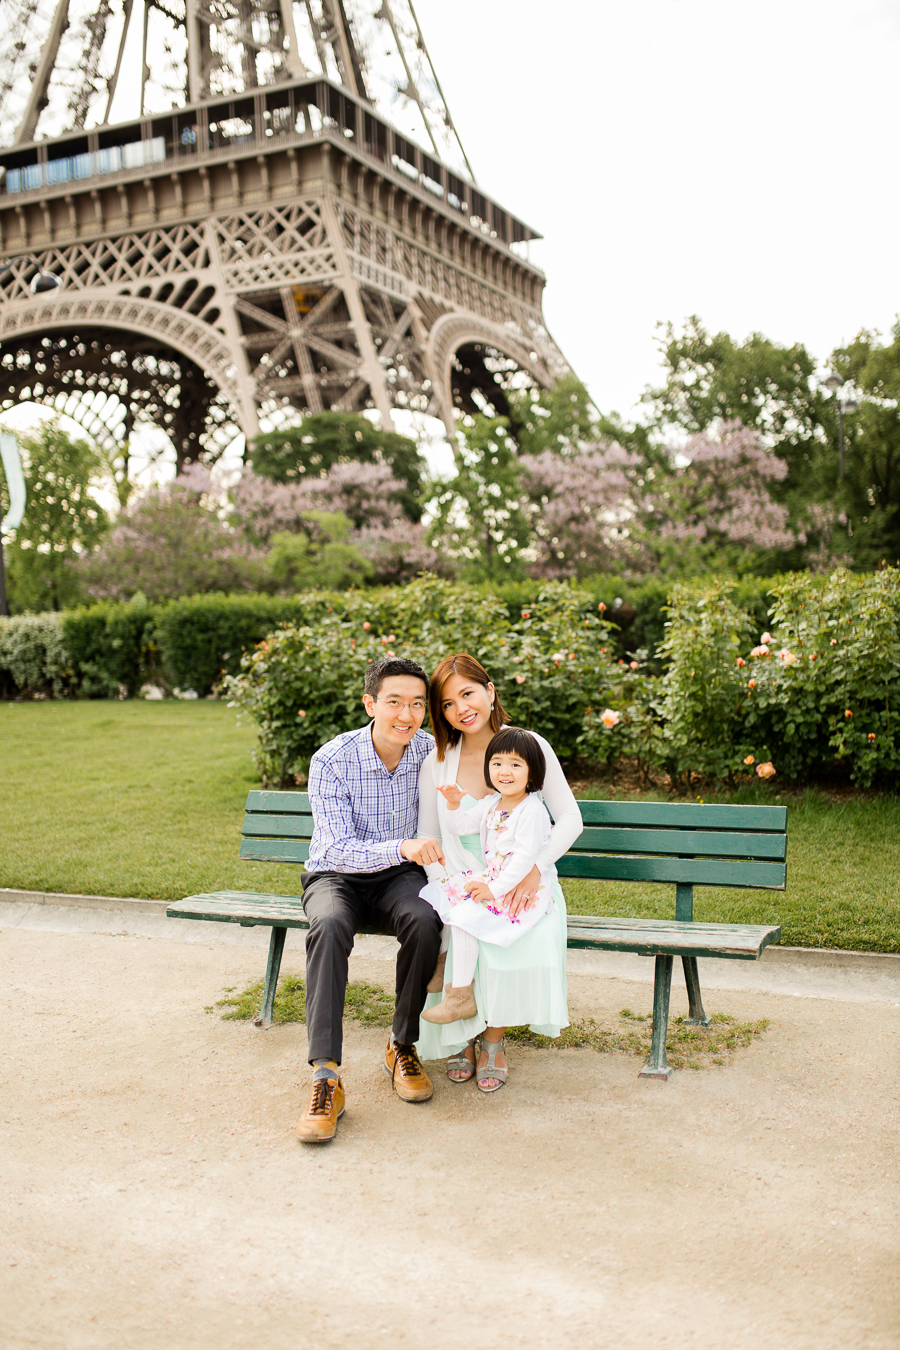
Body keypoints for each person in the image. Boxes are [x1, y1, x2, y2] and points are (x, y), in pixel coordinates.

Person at [416, 654, 583, 1092]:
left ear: (490, 692)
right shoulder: (438, 761)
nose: (460, 709)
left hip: (519, 879)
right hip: (458, 877)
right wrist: (446, 885)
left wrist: (535, 869)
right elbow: (428, 835)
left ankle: (493, 1041)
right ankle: (461, 1036)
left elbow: (570, 819)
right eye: (448, 704)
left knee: (509, 935)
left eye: (467, 694)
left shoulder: (526, 745)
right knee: (453, 921)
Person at [296, 656, 444, 1144]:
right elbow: (335, 846)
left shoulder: (429, 751)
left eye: (417, 704)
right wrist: (401, 846)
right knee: (330, 926)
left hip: (397, 878)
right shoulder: (332, 759)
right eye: (394, 702)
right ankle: (325, 1077)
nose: (407, 714)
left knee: (425, 919)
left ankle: (401, 1044)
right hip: (335, 875)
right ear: (370, 703)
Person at [420, 727, 557, 1026]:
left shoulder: (531, 810)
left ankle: (459, 997)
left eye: (515, 764)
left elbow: (523, 861)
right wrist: (454, 804)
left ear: (533, 772)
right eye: (497, 763)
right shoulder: (493, 802)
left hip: (516, 886)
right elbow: (462, 826)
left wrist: (493, 889)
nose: (504, 771)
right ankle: (442, 964)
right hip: (495, 877)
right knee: (445, 895)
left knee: (466, 917)